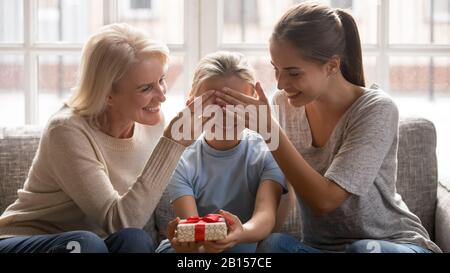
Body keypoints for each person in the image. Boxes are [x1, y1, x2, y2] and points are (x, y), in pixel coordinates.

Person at [213, 3, 441, 253]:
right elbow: (282, 186)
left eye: (293, 73)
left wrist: (270, 132)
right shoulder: (284, 104)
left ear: (332, 66)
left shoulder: (376, 109)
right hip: (320, 248)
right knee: (273, 245)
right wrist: (245, 233)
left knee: (363, 250)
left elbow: (326, 200)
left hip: (392, 243)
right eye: (276, 69)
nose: (280, 83)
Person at [0, 23, 215, 253]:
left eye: (162, 80)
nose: (162, 96)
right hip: (26, 240)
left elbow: (129, 227)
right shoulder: (66, 131)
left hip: (94, 245)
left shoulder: (151, 123)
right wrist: (172, 145)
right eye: (146, 88)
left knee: (136, 240)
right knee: (86, 243)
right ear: (108, 94)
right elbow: (118, 220)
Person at [156, 51, 287, 253]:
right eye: (214, 104)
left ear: (253, 103)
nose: (225, 114)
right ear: (191, 103)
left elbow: (266, 217)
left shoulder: (267, 152)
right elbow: (192, 226)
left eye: (236, 104)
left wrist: (239, 232)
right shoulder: (183, 160)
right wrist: (192, 244)